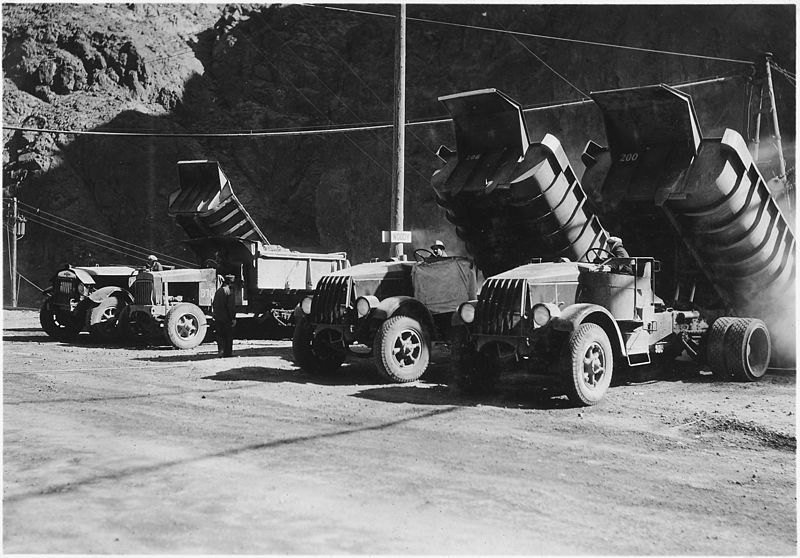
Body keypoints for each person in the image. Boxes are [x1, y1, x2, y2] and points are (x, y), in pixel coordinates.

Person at [212, 274, 237, 357]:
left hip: (218, 318)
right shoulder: (229, 291)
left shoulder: (218, 291)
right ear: (231, 283)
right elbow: (230, 307)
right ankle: (228, 353)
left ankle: (220, 352)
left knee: (220, 336)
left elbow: (214, 304)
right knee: (228, 336)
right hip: (227, 318)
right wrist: (233, 318)